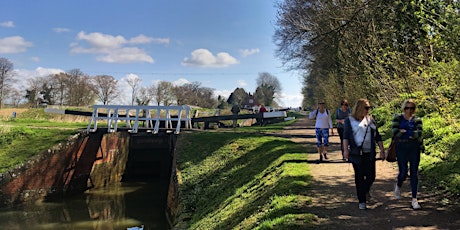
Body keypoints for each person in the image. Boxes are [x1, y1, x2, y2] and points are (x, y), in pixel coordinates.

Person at [343, 98, 385, 210]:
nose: (368, 110)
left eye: (369, 108)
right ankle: (362, 201)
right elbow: (346, 136)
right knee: (359, 177)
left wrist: (382, 150)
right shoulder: (349, 121)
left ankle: (365, 191)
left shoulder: (371, 121)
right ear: (360, 108)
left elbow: (377, 136)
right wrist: (345, 150)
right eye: (366, 108)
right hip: (356, 153)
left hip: (369, 152)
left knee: (371, 176)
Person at [392, 99, 423, 210]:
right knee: (403, 172)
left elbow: (419, 133)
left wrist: (406, 132)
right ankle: (398, 185)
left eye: (411, 108)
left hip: (414, 147)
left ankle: (414, 199)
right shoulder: (398, 118)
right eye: (407, 108)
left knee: (414, 172)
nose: (409, 110)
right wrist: (409, 133)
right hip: (401, 147)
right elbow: (395, 131)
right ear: (403, 108)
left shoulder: (417, 120)